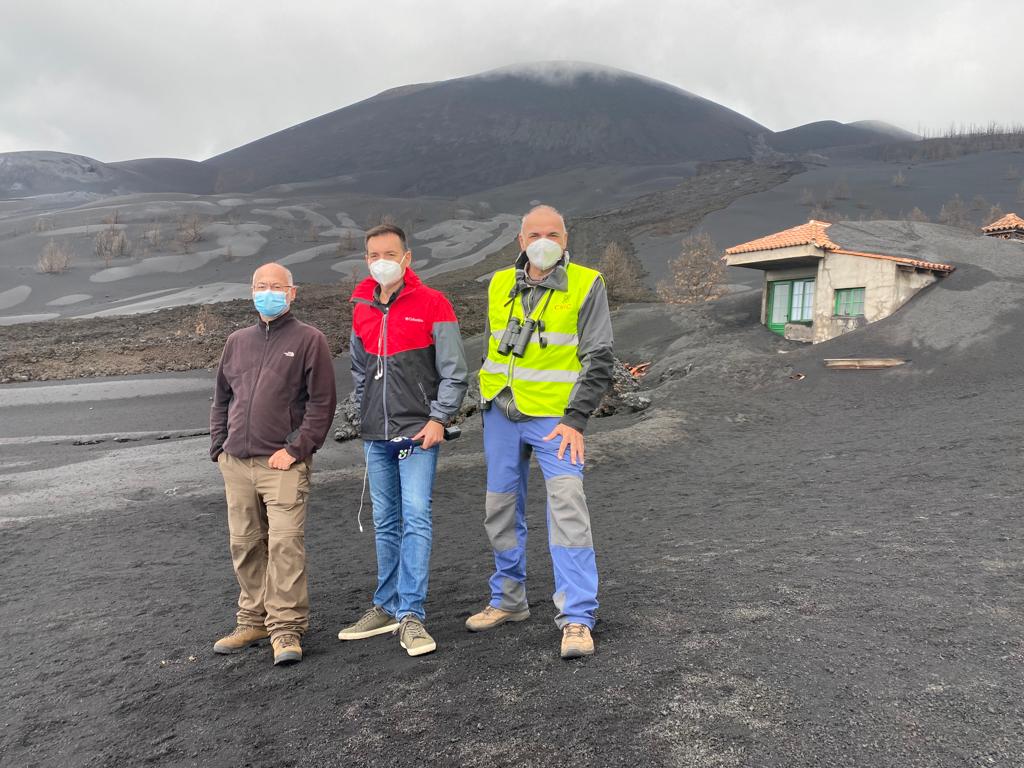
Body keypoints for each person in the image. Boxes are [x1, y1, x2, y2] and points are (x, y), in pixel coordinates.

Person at [467, 204, 614, 658]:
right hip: (501, 413)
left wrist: (577, 419)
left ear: (566, 240)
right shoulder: (497, 284)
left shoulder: (587, 284)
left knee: (568, 508)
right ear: (520, 241)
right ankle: (509, 600)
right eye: (534, 234)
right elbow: (498, 346)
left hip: (557, 420)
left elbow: (599, 356)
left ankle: (577, 617)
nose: (543, 241)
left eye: (553, 233)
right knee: (501, 510)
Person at [337, 223, 468, 656]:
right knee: (386, 521)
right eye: (373, 255)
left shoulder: (434, 304)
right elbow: (359, 370)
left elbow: (454, 372)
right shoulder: (361, 308)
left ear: (407, 258)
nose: (381, 262)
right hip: (376, 435)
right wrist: (366, 410)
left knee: (416, 518)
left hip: (418, 433)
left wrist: (439, 420)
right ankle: (386, 605)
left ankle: (411, 614)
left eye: (389, 253)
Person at [210, 263, 337, 666]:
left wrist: (297, 448)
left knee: (284, 545)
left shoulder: (309, 340)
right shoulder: (236, 341)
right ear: (251, 291)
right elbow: (221, 398)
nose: (268, 292)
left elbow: (322, 404)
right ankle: (253, 619)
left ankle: (285, 629)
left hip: (282, 464)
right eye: (261, 286)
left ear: (292, 292)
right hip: (237, 462)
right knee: (244, 544)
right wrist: (219, 448)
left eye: (276, 286)